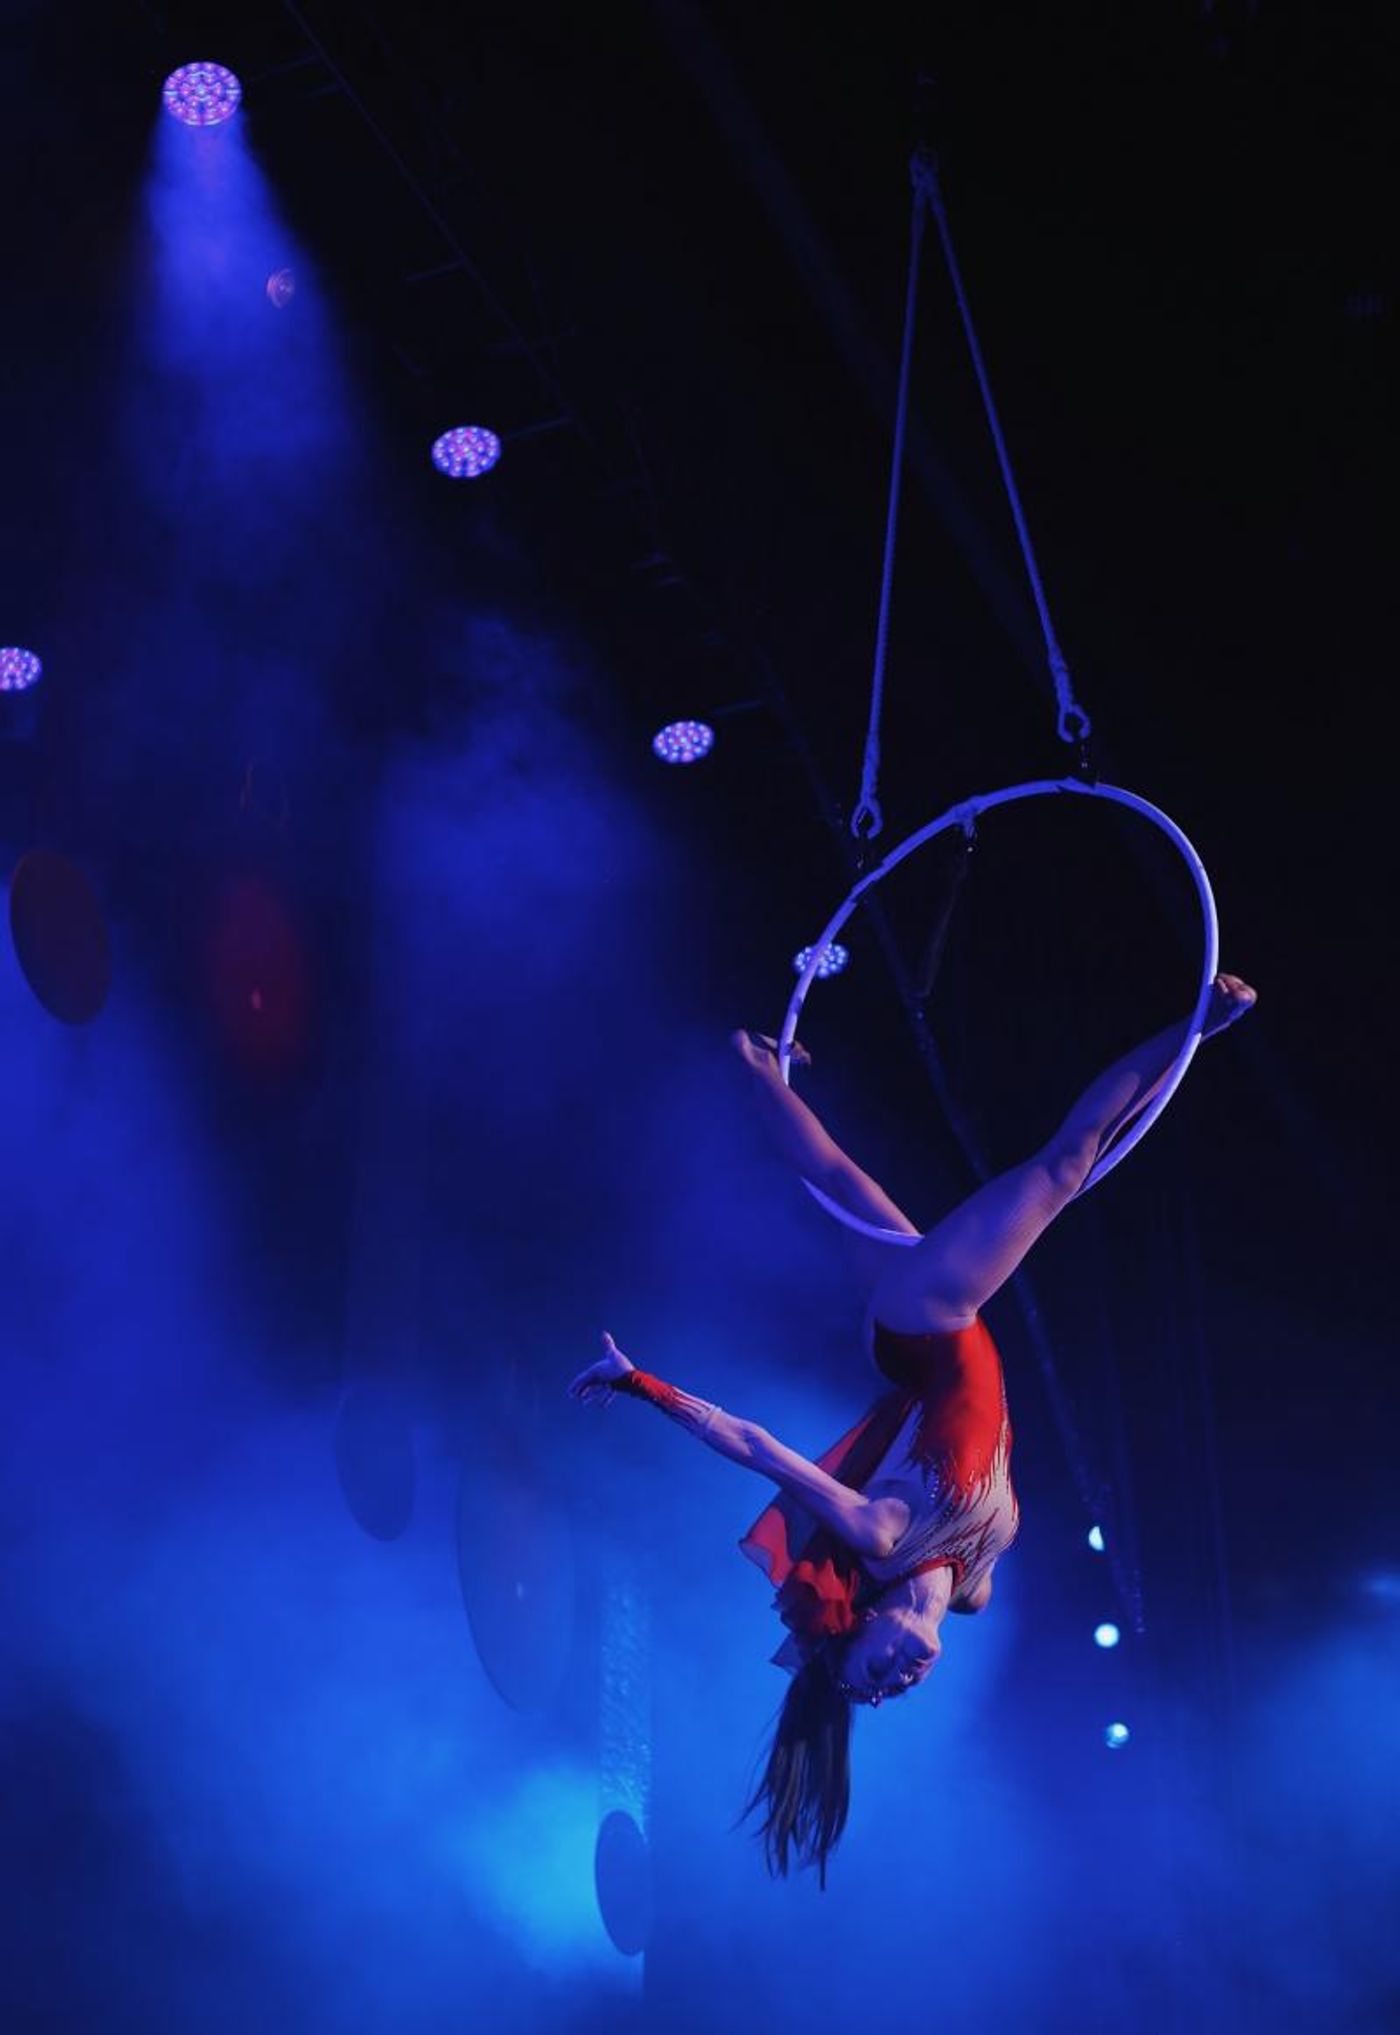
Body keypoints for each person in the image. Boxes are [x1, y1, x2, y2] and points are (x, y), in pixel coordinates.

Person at [568, 975, 1257, 1884]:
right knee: (840, 1182)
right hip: (932, 1338)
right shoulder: (974, 1594)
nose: (900, 1682)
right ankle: (753, 1065)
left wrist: (641, 1382)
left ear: (859, 1622)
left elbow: (758, 1447)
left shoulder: (881, 1532)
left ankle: (1194, 1022)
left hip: (928, 1315)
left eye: (874, 1674)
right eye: (893, 1693)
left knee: (1061, 1168)